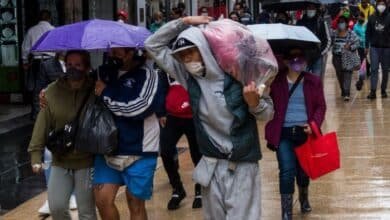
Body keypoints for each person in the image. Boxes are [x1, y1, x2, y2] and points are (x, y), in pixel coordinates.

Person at [145, 16, 274, 220]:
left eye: (191, 52)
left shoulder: (239, 74)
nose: (188, 60)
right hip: (211, 164)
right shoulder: (190, 79)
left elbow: (268, 114)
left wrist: (254, 103)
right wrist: (184, 22)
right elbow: (152, 44)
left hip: (242, 164)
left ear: (204, 48)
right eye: (182, 56)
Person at [93, 47, 164, 220]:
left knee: (135, 203)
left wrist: (106, 94)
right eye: (110, 51)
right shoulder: (102, 73)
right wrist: (48, 93)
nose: (112, 55)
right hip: (107, 148)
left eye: (117, 51)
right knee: (102, 200)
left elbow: (140, 107)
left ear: (130, 52)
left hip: (140, 149)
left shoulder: (149, 75)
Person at [28, 50, 97, 220]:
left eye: (78, 65)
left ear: (87, 67)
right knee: (57, 207)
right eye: (69, 65)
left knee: (86, 211)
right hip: (61, 158)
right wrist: (36, 154)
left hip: (88, 160)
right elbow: (42, 123)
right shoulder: (51, 91)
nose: (73, 69)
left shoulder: (96, 89)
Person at [265, 47, 326, 220]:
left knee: (303, 172)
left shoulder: (313, 81)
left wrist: (313, 124)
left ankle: (304, 197)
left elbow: (321, 106)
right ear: (285, 61)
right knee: (286, 170)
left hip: (305, 133)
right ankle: (286, 212)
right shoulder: (275, 82)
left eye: (301, 57)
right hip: (283, 134)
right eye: (293, 57)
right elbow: (266, 103)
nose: (297, 60)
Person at [36, 53, 78, 215]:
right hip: (54, 117)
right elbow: (40, 92)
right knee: (48, 154)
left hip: (76, 118)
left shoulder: (81, 64)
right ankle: (52, 197)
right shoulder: (47, 65)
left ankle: (72, 194)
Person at [159, 76, 203, 210]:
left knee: (197, 154)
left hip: (195, 115)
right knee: (165, 151)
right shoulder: (165, 64)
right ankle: (177, 189)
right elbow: (161, 87)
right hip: (172, 116)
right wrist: (161, 112)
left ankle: (200, 189)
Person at [22, 9, 55, 119]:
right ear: (49, 18)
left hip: (36, 61)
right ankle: (51, 112)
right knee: (52, 87)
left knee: (37, 88)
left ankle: (37, 114)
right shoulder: (53, 30)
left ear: (39, 18)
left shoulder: (32, 30)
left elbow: (25, 48)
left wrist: (25, 61)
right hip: (51, 60)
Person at [297, 4, 332, 79]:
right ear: (306, 9)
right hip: (303, 56)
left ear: (316, 9)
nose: (311, 9)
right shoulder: (300, 23)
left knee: (316, 80)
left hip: (317, 57)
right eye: (309, 7)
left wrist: (320, 53)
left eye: (313, 8)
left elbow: (328, 40)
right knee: (301, 80)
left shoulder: (322, 22)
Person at [365, 0, 390, 99]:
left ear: (386, 5)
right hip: (374, 47)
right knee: (374, 69)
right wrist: (366, 46)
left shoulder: (389, 17)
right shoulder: (371, 17)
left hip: (387, 48)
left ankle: (383, 90)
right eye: (379, 4)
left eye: (383, 4)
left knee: (385, 70)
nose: (381, 6)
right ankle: (373, 91)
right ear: (376, 5)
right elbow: (367, 33)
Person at [331, 15, 360, 101]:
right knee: (340, 75)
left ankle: (347, 93)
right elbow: (330, 41)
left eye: (343, 22)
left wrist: (350, 47)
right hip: (337, 57)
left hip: (347, 56)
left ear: (346, 23)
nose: (341, 24)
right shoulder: (334, 33)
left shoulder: (351, 33)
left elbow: (357, 43)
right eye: (340, 22)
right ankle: (343, 90)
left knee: (347, 74)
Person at [353, 12, 369, 90]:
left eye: (361, 17)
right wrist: (360, 40)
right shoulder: (355, 26)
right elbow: (354, 35)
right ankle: (362, 78)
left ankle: (368, 73)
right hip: (360, 47)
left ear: (363, 17)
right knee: (363, 60)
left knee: (368, 61)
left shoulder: (367, 24)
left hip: (369, 45)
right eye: (358, 18)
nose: (359, 19)